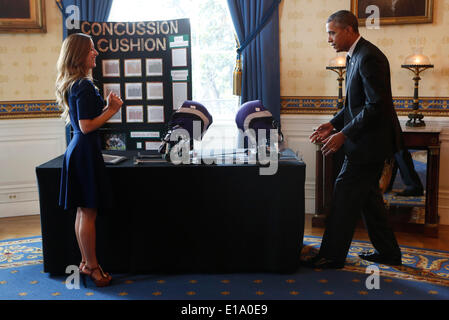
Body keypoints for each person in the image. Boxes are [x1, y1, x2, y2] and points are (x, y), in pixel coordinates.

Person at [307, 10, 402, 269]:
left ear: (349, 29)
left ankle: (332, 255)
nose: (329, 39)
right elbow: (355, 104)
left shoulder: (370, 56)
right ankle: (389, 252)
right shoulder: (354, 56)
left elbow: (376, 106)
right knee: (369, 199)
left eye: (332, 32)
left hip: (369, 145)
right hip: (365, 142)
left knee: (344, 193)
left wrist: (343, 134)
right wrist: (333, 123)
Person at [56, 33, 123, 286]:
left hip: (79, 150)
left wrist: (106, 108)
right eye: (91, 49)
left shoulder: (76, 83)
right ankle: (93, 268)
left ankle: (86, 263)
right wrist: (112, 110)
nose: (95, 52)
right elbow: (86, 126)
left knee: (83, 212)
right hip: (84, 151)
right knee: (88, 212)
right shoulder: (83, 85)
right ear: (79, 55)